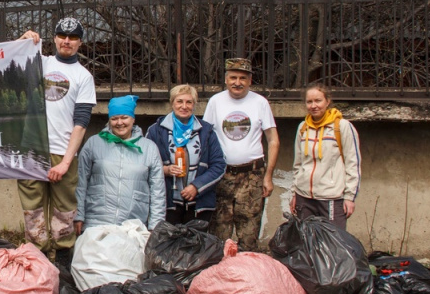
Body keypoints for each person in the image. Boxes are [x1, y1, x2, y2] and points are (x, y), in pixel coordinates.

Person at [17, 18, 97, 260]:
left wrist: (65, 163)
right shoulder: (39, 62)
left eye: (73, 37)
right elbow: (9, 61)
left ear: (80, 43)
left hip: (63, 152)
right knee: (32, 211)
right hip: (32, 150)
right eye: (62, 35)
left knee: (64, 211)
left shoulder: (84, 76)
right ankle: (36, 259)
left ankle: (63, 261)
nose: (67, 41)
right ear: (54, 39)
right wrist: (22, 40)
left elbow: (81, 124)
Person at [202, 58, 280, 251]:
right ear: (226, 79)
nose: (238, 82)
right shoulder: (215, 102)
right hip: (222, 176)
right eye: (233, 77)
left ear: (250, 80)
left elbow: (273, 140)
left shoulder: (260, 103)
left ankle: (248, 269)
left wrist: (268, 176)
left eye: (243, 78)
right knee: (219, 236)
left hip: (252, 176)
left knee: (249, 235)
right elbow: (205, 138)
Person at [74, 95, 165, 233]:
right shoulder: (93, 143)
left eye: (124, 117)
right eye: (114, 118)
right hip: (96, 223)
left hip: (134, 225)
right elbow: (80, 181)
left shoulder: (149, 148)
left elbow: (157, 190)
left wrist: (155, 225)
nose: (119, 122)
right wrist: (78, 215)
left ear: (133, 119)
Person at [145, 85, 227, 226]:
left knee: (196, 240)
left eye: (189, 102)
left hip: (199, 204)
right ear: (172, 103)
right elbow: (144, 164)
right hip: (167, 203)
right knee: (168, 240)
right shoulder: (156, 130)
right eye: (179, 101)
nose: (184, 106)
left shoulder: (206, 131)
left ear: (194, 105)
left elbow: (219, 165)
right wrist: (165, 170)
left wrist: (197, 186)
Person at [290, 83, 361, 230]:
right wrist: (294, 193)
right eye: (309, 102)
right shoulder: (303, 128)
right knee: (306, 240)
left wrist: (350, 197)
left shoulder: (342, 127)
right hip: (304, 197)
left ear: (327, 101)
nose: (313, 106)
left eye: (318, 101)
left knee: (333, 240)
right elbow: (298, 164)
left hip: (331, 198)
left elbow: (353, 163)